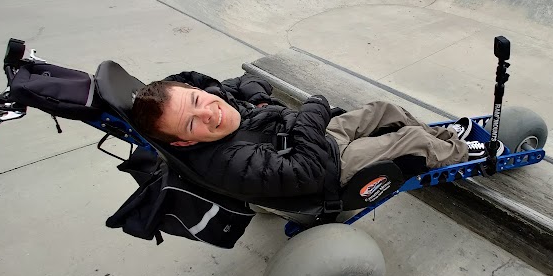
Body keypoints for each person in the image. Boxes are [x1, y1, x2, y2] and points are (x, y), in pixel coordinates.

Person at [130, 71, 488, 205]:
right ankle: (460, 153)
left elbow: (219, 84)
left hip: (309, 138)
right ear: (183, 143)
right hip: (325, 168)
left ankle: (443, 136)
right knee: (411, 140)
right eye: (191, 124)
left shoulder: (214, 103)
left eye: (196, 99)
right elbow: (309, 169)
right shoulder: (226, 163)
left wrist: (255, 98)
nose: (207, 111)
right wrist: (314, 109)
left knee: (383, 108)